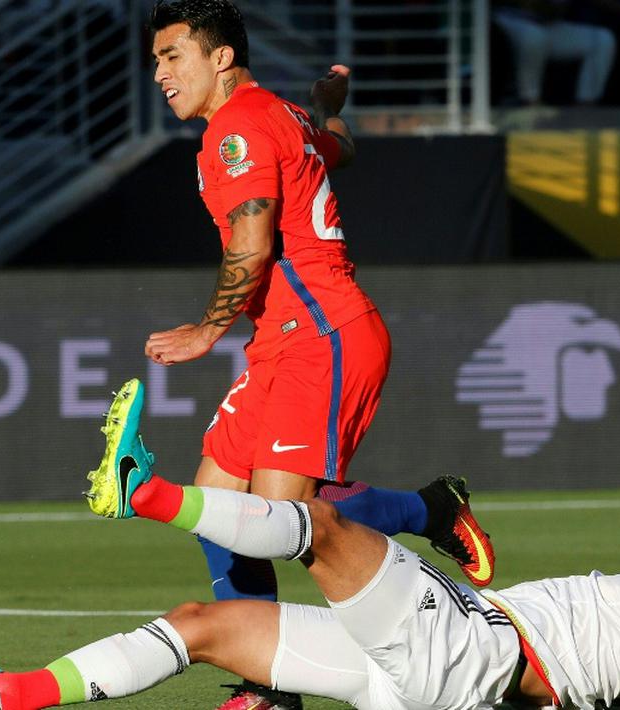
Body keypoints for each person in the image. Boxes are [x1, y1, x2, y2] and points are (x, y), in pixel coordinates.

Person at [0, 381, 620, 710]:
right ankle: (9, 693)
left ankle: (143, 492)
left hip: (471, 648)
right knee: (205, 621)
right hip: (421, 681)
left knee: (326, 527)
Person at [132, 5, 497, 707]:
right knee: (217, 504)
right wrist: (326, 110)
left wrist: (208, 331)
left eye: (173, 56)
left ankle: (430, 511)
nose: (160, 74)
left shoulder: (237, 129)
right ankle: (267, 684)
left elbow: (252, 242)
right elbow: (340, 150)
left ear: (222, 58)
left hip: (325, 335)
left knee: (275, 523)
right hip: (284, 339)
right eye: (155, 61)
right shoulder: (280, 117)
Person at [493, 0, 618, 106]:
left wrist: (551, 8)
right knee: (534, 36)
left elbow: (554, 11)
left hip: (547, 24)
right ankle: (530, 102)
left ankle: (586, 107)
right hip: (509, 17)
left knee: (602, 39)